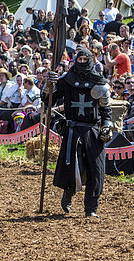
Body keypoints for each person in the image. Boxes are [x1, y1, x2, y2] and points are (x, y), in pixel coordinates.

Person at [46, 48, 112, 218]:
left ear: (90, 60)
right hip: (73, 130)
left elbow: (106, 110)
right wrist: (49, 85)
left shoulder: (99, 82)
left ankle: (91, 208)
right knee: (72, 166)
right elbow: (48, 100)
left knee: (96, 170)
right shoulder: (66, 80)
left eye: (85, 59)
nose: (82, 62)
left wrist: (106, 125)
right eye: (79, 59)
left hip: (93, 131)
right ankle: (68, 194)